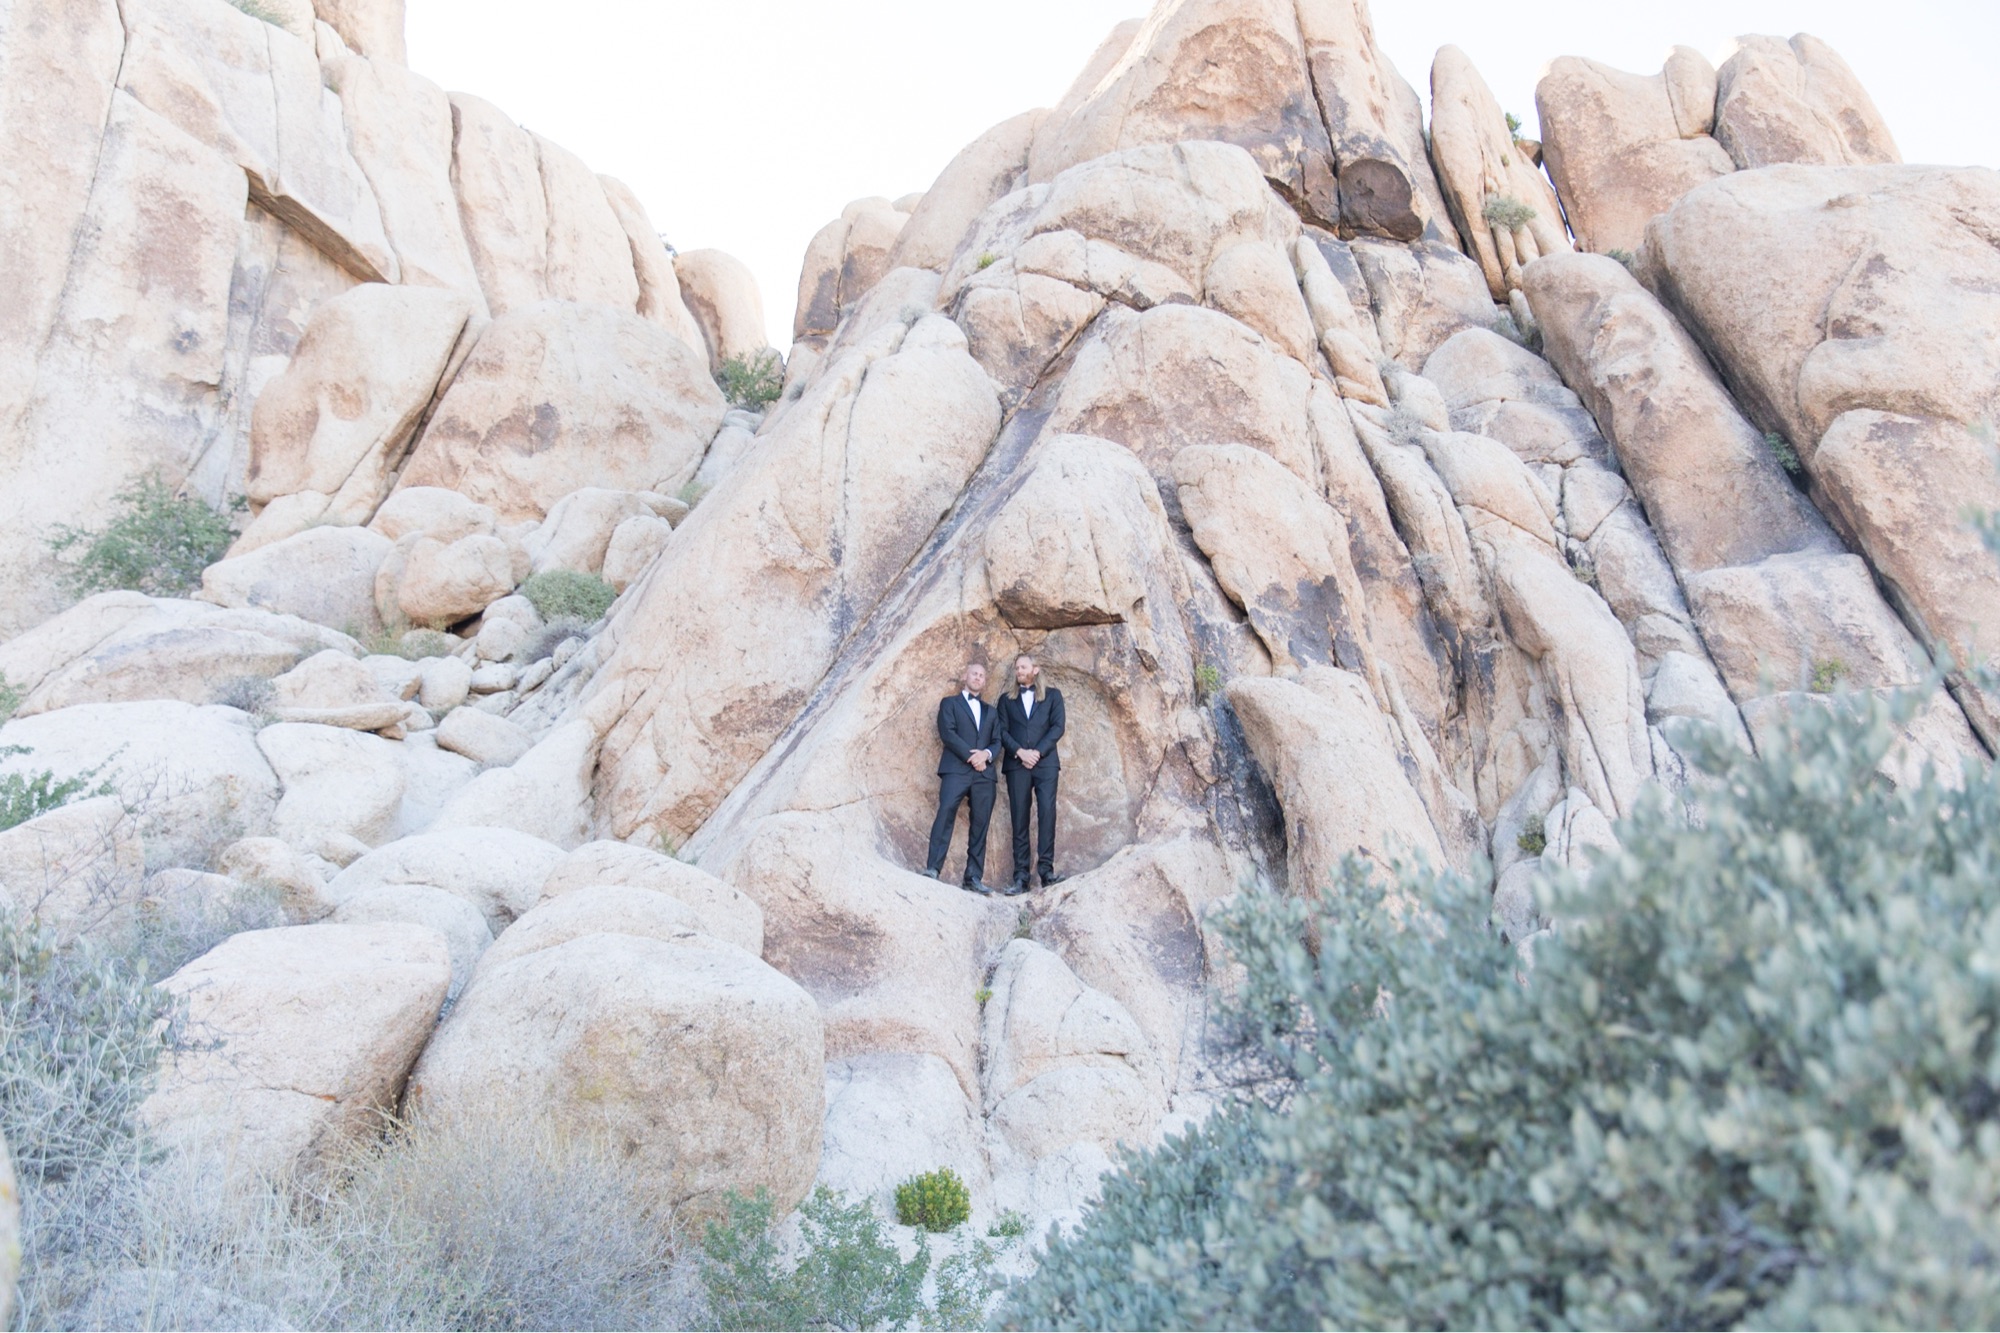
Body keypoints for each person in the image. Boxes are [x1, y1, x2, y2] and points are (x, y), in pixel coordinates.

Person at [922, 661, 1000, 895]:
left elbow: (997, 741)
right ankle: (933, 868)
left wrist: (985, 755)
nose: (977, 678)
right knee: (945, 814)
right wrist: (971, 756)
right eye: (974, 674)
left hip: (984, 774)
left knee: (981, 825)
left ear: (985, 682)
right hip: (956, 769)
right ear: (965, 676)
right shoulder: (949, 703)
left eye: (981, 676)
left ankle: (973, 877)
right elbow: (948, 733)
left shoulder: (992, 712)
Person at [997, 653, 1066, 894]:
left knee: (1047, 814)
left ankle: (1046, 871)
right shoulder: (1006, 700)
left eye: (1023, 667)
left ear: (1035, 669)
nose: (1019, 671)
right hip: (1017, 765)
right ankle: (1021, 877)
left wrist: (1037, 752)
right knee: (1019, 819)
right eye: (1016, 668)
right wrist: (1020, 752)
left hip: (1046, 764)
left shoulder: (1054, 696)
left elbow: (1058, 727)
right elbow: (1002, 731)